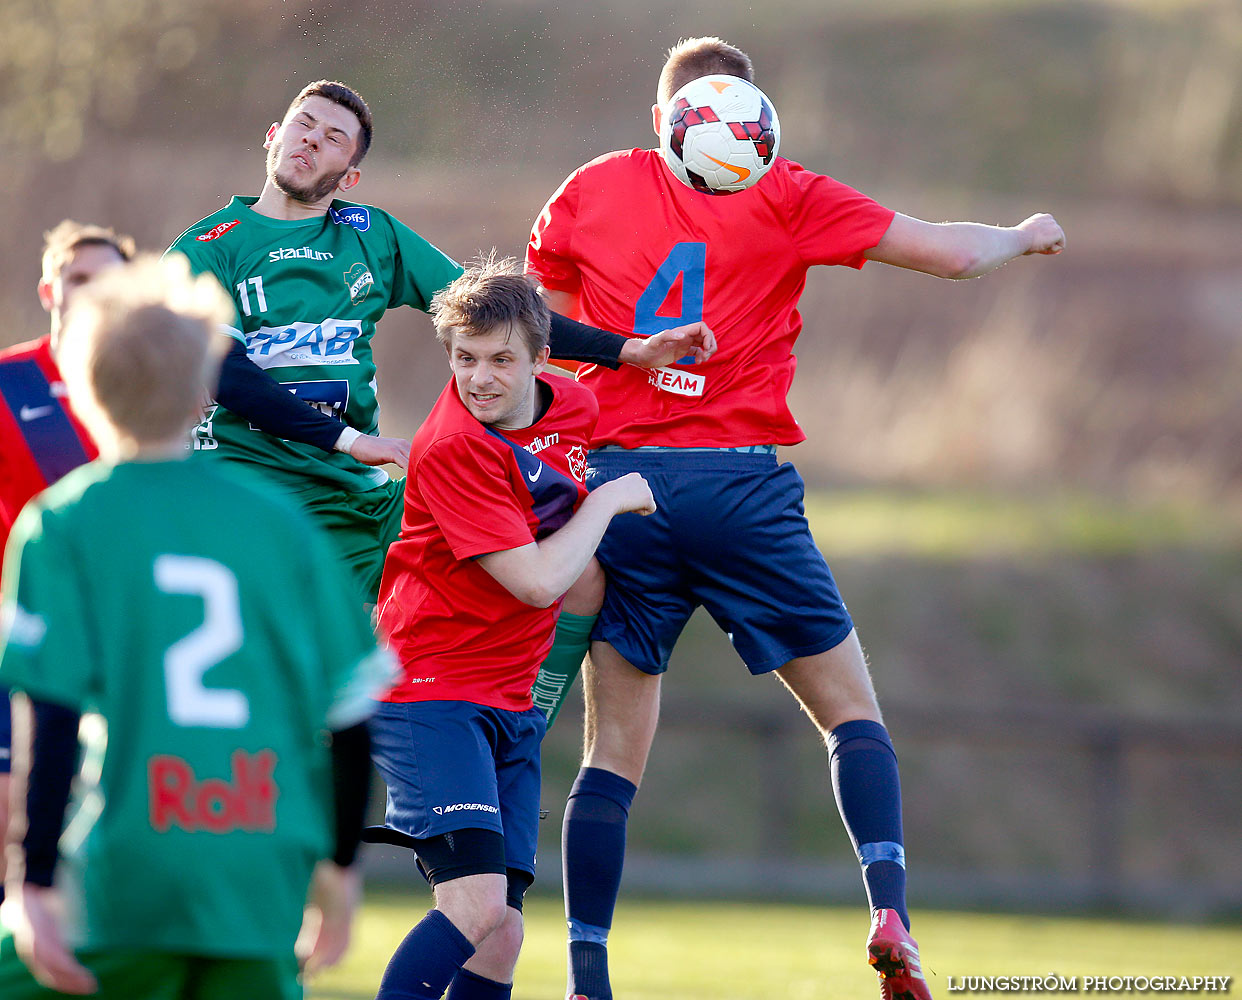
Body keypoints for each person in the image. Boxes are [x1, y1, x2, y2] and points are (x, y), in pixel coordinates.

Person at [525, 36, 1067, 1000]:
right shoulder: (790, 192)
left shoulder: (594, 185)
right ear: (757, 118)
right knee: (852, 714)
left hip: (621, 494)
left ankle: (586, 974)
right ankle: (889, 908)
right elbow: (948, 254)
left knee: (611, 753)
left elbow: (547, 325)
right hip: (739, 488)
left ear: (664, 119)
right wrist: (1023, 232)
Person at [0, 254, 393, 999]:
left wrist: (35, 884)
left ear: (82, 389)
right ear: (201, 398)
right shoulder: (281, 523)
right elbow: (351, 719)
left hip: (127, 859)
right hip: (261, 862)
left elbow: (49, 718)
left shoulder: (65, 521)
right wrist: (339, 870)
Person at [166, 79, 712, 610]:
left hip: (359, 492)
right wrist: (351, 440)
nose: (311, 138)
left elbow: (503, 314)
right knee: (321, 650)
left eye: (333, 137)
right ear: (273, 135)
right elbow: (227, 375)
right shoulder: (206, 249)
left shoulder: (369, 233)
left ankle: (527, 706)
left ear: (350, 176)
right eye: (302, 124)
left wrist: (627, 351)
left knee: (577, 577)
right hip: (252, 485)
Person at [365, 256, 656, 1000]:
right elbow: (535, 582)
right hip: (430, 695)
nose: (480, 379)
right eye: (464, 359)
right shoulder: (456, 446)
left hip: (507, 701)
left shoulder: (575, 406)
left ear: (540, 358)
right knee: (474, 906)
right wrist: (608, 501)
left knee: (501, 936)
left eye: (501, 360)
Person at [0, 220, 134, 906]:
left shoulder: (145, 401)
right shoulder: (6, 381)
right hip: (19, 639)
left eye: (108, 281)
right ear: (51, 288)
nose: (92, 293)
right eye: (79, 278)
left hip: (120, 649)